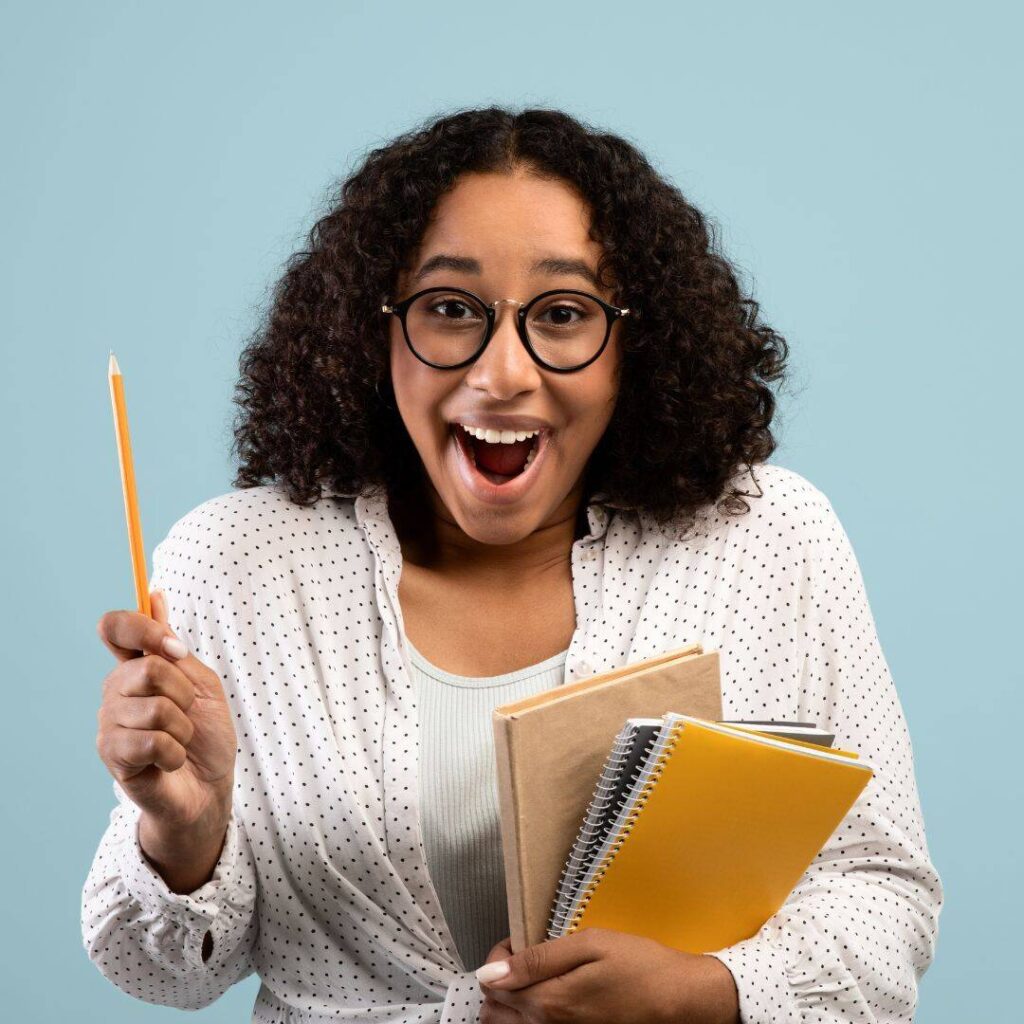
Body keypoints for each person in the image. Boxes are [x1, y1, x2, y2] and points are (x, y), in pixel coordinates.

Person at [82, 106, 942, 1024]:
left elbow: (885, 900)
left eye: (563, 315)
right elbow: (159, 974)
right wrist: (184, 829)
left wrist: (700, 995)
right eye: (450, 310)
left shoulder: (768, 541)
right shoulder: (238, 564)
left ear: (633, 348)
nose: (502, 373)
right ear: (373, 333)